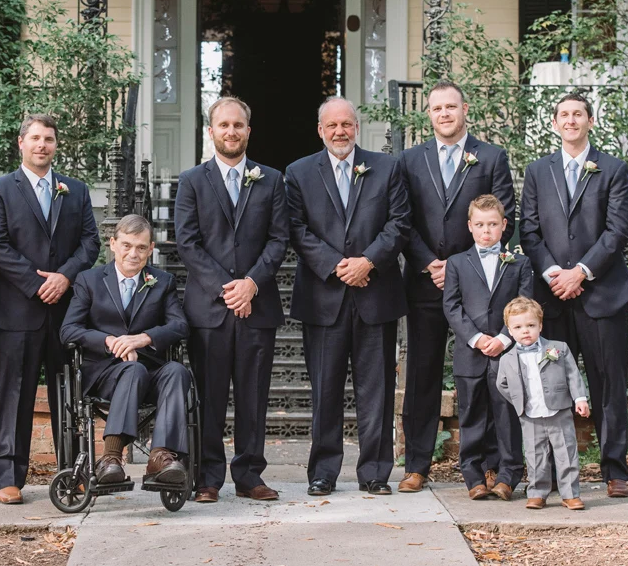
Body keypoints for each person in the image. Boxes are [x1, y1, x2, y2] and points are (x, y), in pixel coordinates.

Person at [285, 96, 410, 496]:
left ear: (356, 127)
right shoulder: (299, 172)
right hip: (323, 296)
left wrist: (368, 261)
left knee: (376, 391)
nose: (340, 132)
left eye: (346, 124)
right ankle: (323, 472)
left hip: (376, 294)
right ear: (320, 130)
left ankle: (374, 472)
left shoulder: (387, 167)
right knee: (325, 391)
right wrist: (337, 264)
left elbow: (399, 222)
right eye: (332, 125)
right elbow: (296, 228)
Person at [398, 80, 516, 493]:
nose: (444, 114)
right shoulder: (410, 160)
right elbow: (402, 219)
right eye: (437, 108)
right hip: (426, 281)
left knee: (486, 375)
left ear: (465, 109)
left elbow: (504, 219)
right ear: (429, 114)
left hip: (480, 287)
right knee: (422, 374)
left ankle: (489, 465)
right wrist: (430, 263)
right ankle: (417, 464)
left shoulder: (491, 157)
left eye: (451, 106)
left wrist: (460, 267)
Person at [0, 113, 100, 504]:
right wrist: (37, 285)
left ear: (55, 144)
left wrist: (64, 277)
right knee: (14, 395)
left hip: (66, 312)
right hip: (17, 310)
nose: (42, 145)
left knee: (69, 395)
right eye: (35, 138)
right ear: (21, 142)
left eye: (48, 139)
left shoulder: (75, 190)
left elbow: (90, 242)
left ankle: (73, 472)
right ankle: (8, 477)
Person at [519, 93, 628, 498]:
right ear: (554, 123)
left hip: (601, 295)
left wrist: (580, 272)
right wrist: (555, 274)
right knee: (550, 386)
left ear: (590, 121)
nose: (571, 120)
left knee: (608, 385)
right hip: (552, 298)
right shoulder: (538, 171)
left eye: (578, 114)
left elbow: (618, 230)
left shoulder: (613, 169)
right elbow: (528, 229)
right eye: (564, 115)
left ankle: (615, 471)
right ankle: (550, 474)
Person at [175, 97, 288, 503]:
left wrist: (252, 283)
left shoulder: (271, 179)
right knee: (209, 397)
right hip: (210, 309)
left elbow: (279, 239)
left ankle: (249, 475)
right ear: (211, 131)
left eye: (238, 125)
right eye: (223, 125)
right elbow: (187, 243)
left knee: (253, 396)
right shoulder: (192, 181)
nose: (231, 131)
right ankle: (207, 477)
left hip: (258, 306)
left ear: (248, 131)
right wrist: (229, 288)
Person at [60, 214, 192, 486]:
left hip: (151, 372)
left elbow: (180, 326)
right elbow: (69, 330)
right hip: (104, 375)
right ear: (113, 244)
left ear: (151, 249)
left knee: (178, 371)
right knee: (132, 370)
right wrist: (110, 341)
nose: (134, 254)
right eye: (127, 245)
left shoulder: (162, 281)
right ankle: (111, 457)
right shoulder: (89, 280)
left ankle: (160, 456)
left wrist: (142, 338)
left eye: (141, 247)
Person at [442, 195, 533, 501]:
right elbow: (452, 306)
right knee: (471, 416)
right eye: (480, 225)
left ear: (504, 225)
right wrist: (476, 338)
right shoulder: (457, 263)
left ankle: (508, 475)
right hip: (471, 353)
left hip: (507, 353)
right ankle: (474, 476)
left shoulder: (519, 263)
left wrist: (505, 338)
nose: (486, 231)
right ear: (470, 226)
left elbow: (525, 305)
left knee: (507, 416)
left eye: (492, 224)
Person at [495, 297, 590, 510]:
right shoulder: (507, 359)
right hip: (530, 414)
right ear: (510, 331)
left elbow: (573, 375)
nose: (525, 331)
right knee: (535, 455)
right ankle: (537, 493)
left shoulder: (558, 348)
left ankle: (570, 494)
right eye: (518, 327)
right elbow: (502, 384)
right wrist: (519, 401)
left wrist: (580, 399)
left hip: (559, 410)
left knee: (566, 453)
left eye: (531, 325)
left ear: (540, 325)